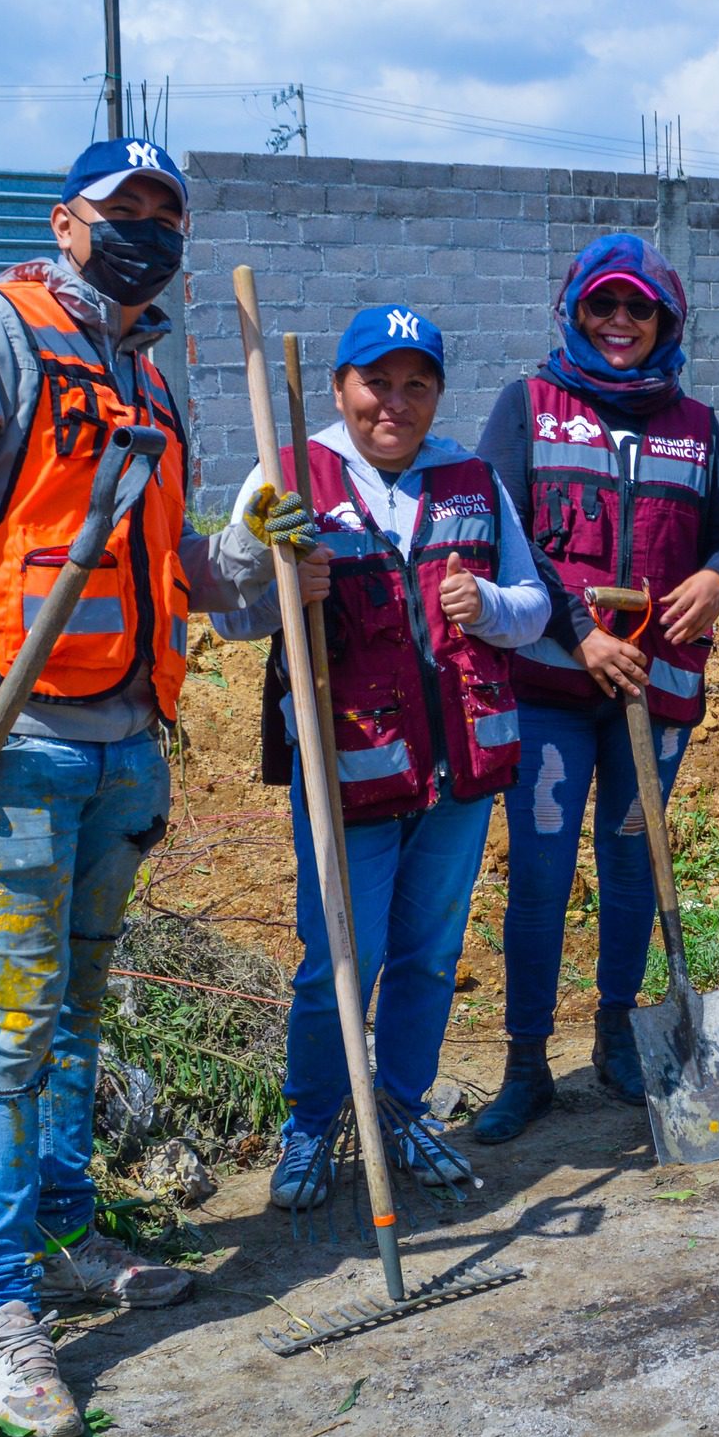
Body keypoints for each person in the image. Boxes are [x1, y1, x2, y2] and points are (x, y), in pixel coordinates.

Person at [0, 139, 317, 1437]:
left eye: (166, 216)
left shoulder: (150, 374)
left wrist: (249, 549)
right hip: (17, 750)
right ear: (66, 219)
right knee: (11, 1036)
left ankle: (66, 1234)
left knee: (74, 1014)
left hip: (126, 746)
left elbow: (176, 567)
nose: (148, 235)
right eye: (125, 212)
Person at [212, 306, 549, 1206]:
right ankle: (315, 1126)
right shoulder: (291, 472)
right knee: (333, 965)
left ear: (438, 392)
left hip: (456, 773)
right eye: (376, 383)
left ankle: (400, 1109)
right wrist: (284, 578)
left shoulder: (473, 479)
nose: (394, 403)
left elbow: (534, 606)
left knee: (431, 955)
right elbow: (230, 616)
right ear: (339, 388)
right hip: (348, 772)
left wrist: (490, 606)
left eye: (417, 384)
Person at [470, 234, 719, 1142]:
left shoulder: (697, 425)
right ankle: (524, 1063)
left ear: (666, 321)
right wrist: (579, 633)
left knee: (633, 868)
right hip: (551, 687)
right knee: (543, 877)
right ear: (576, 311)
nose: (621, 323)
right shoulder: (529, 407)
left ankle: (623, 1040)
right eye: (604, 305)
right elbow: (496, 540)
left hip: (653, 698)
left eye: (640, 309)